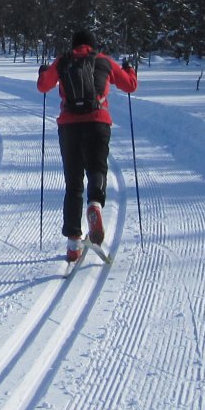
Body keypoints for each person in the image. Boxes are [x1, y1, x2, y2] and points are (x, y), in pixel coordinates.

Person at [36, 28, 138, 262]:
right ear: (92, 45)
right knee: (97, 168)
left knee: (73, 184)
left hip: (69, 127)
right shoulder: (103, 61)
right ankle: (95, 205)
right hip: (98, 122)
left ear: (74, 45)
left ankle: (73, 244)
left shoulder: (63, 61)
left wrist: (42, 72)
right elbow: (130, 85)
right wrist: (130, 69)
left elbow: (43, 86)